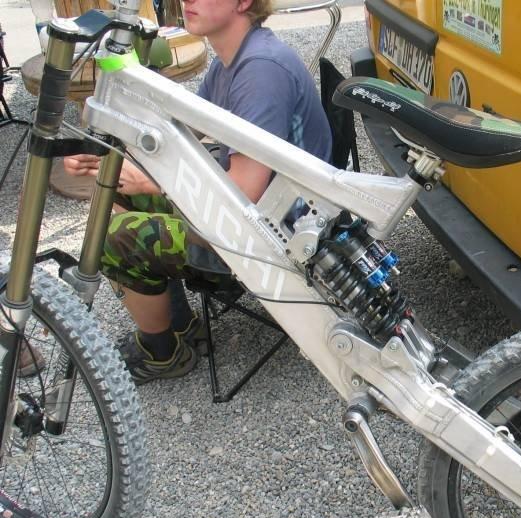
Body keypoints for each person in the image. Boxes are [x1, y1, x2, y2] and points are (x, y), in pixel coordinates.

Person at [64, 0, 332, 384]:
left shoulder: (260, 71)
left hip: (268, 242)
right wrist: (100, 152)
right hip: (257, 217)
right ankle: (179, 324)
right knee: (112, 191)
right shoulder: (233, 61)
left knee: (111, 238)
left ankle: (162, 354)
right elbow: (179, 133)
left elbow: (244, 195)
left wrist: (151, 182)